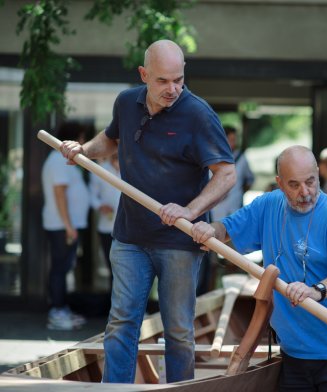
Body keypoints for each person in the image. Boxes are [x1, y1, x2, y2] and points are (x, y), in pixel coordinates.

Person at [60, 40, 236, 383]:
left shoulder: (199, 114)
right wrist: (82, 149)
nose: (173, 89)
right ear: (144, 74)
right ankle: (115, 391)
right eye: (162, 81)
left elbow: (226, 173)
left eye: (179, 80)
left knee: (179, 330)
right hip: (130, 236)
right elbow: (111, 139)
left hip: (180, 241)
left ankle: (179, 391)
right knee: (122, 321)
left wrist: (189, 210)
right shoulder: (127, 102)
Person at [191, 146, 327, 392]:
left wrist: (316, 290)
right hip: (295, 353)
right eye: (294, 185)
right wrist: (211, 231)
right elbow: (227, 229)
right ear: (279, 183)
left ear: (318, 173)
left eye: (311, 181)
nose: (305, 192)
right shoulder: (267, 206)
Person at [42, 121, 91, 331]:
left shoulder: (60, 159)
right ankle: (57, 311)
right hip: (62, 225)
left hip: (65, 225)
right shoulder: (57, 160)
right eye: (80, 137)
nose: (82, 142)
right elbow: (59, 194)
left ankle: (61, 309)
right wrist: (68, 226)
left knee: (63, 267)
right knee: (60, 268)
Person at [89, 153, 121, 289]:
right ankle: (113, 305)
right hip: (106, 227)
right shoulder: (100, 170)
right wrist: (100, 206)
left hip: (127, 228)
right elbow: (91, 195)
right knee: (112, 268)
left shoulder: (131, 170)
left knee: (127, 269)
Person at [211, 126, 255, 220]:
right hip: (215, 208)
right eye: (231, 140)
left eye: (235, 139)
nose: (234, 143)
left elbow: (250, 179)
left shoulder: (241, 158)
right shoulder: (211, 157)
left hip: (235, 205)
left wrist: (239, 193)